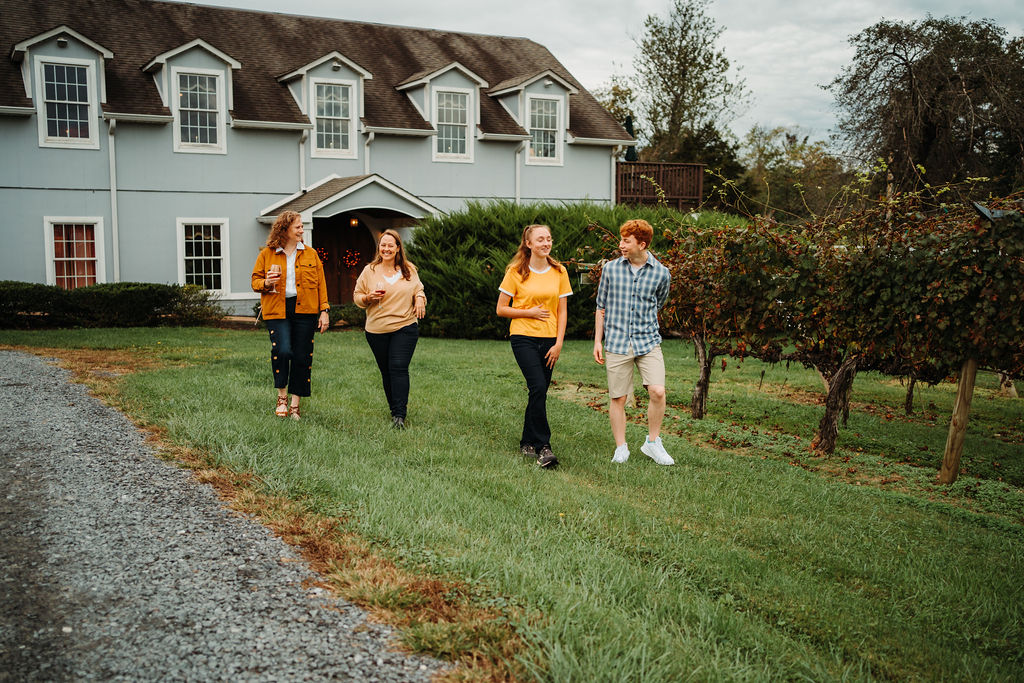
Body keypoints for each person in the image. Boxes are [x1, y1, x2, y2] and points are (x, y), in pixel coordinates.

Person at [592, 219, 674, 465]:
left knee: (658, 391)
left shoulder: (661, 273)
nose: (621, 245)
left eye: (626, 241)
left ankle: (652, 443)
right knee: (618, 398)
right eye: (621, 240)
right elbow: (600, 306)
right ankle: (621, 447)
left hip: (648, 341)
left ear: (642, 244)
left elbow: (659, 302)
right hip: (617, 342)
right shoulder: (611, 269)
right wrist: (598, 340)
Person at [496, 224, 573, 468]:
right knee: (538, 386)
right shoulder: (515, 271)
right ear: (528, 243)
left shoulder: (559, 271)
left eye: (548, 238)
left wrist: (559, 343)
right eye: (540, 239)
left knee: (538, 392)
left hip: (550, 340)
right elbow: (501, 309)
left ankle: (526, 441)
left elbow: (562, 312)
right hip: (523, 337)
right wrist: (528, 312)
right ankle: (544, 447)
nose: (546, 243)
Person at [251, 210, 330, 420]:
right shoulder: (267, 254)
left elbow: (321, 284)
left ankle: (295, 406)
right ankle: (281, 397)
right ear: (284, 229)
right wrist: (267, 283)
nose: (301, 230)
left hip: (306, 310)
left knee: (302, 356)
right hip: (277, 308)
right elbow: (255, 281)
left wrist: (324, 311)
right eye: (298, 227)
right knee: (283, 350)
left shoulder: (311, 254)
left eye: (302, 227)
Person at [354, 229, 427, 429]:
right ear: (379, 248)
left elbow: (418, 288)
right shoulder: (370, 270)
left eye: (390, 245)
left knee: (398, 366)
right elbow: (357, 296)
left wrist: (420, 298)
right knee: (386, 371)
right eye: (383, 245)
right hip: (376, 329)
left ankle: (400, 416)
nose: (386, 248)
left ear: (397, 248)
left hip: (405, 325)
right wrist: (369, 298)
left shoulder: (408, 269)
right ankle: (394, 410)